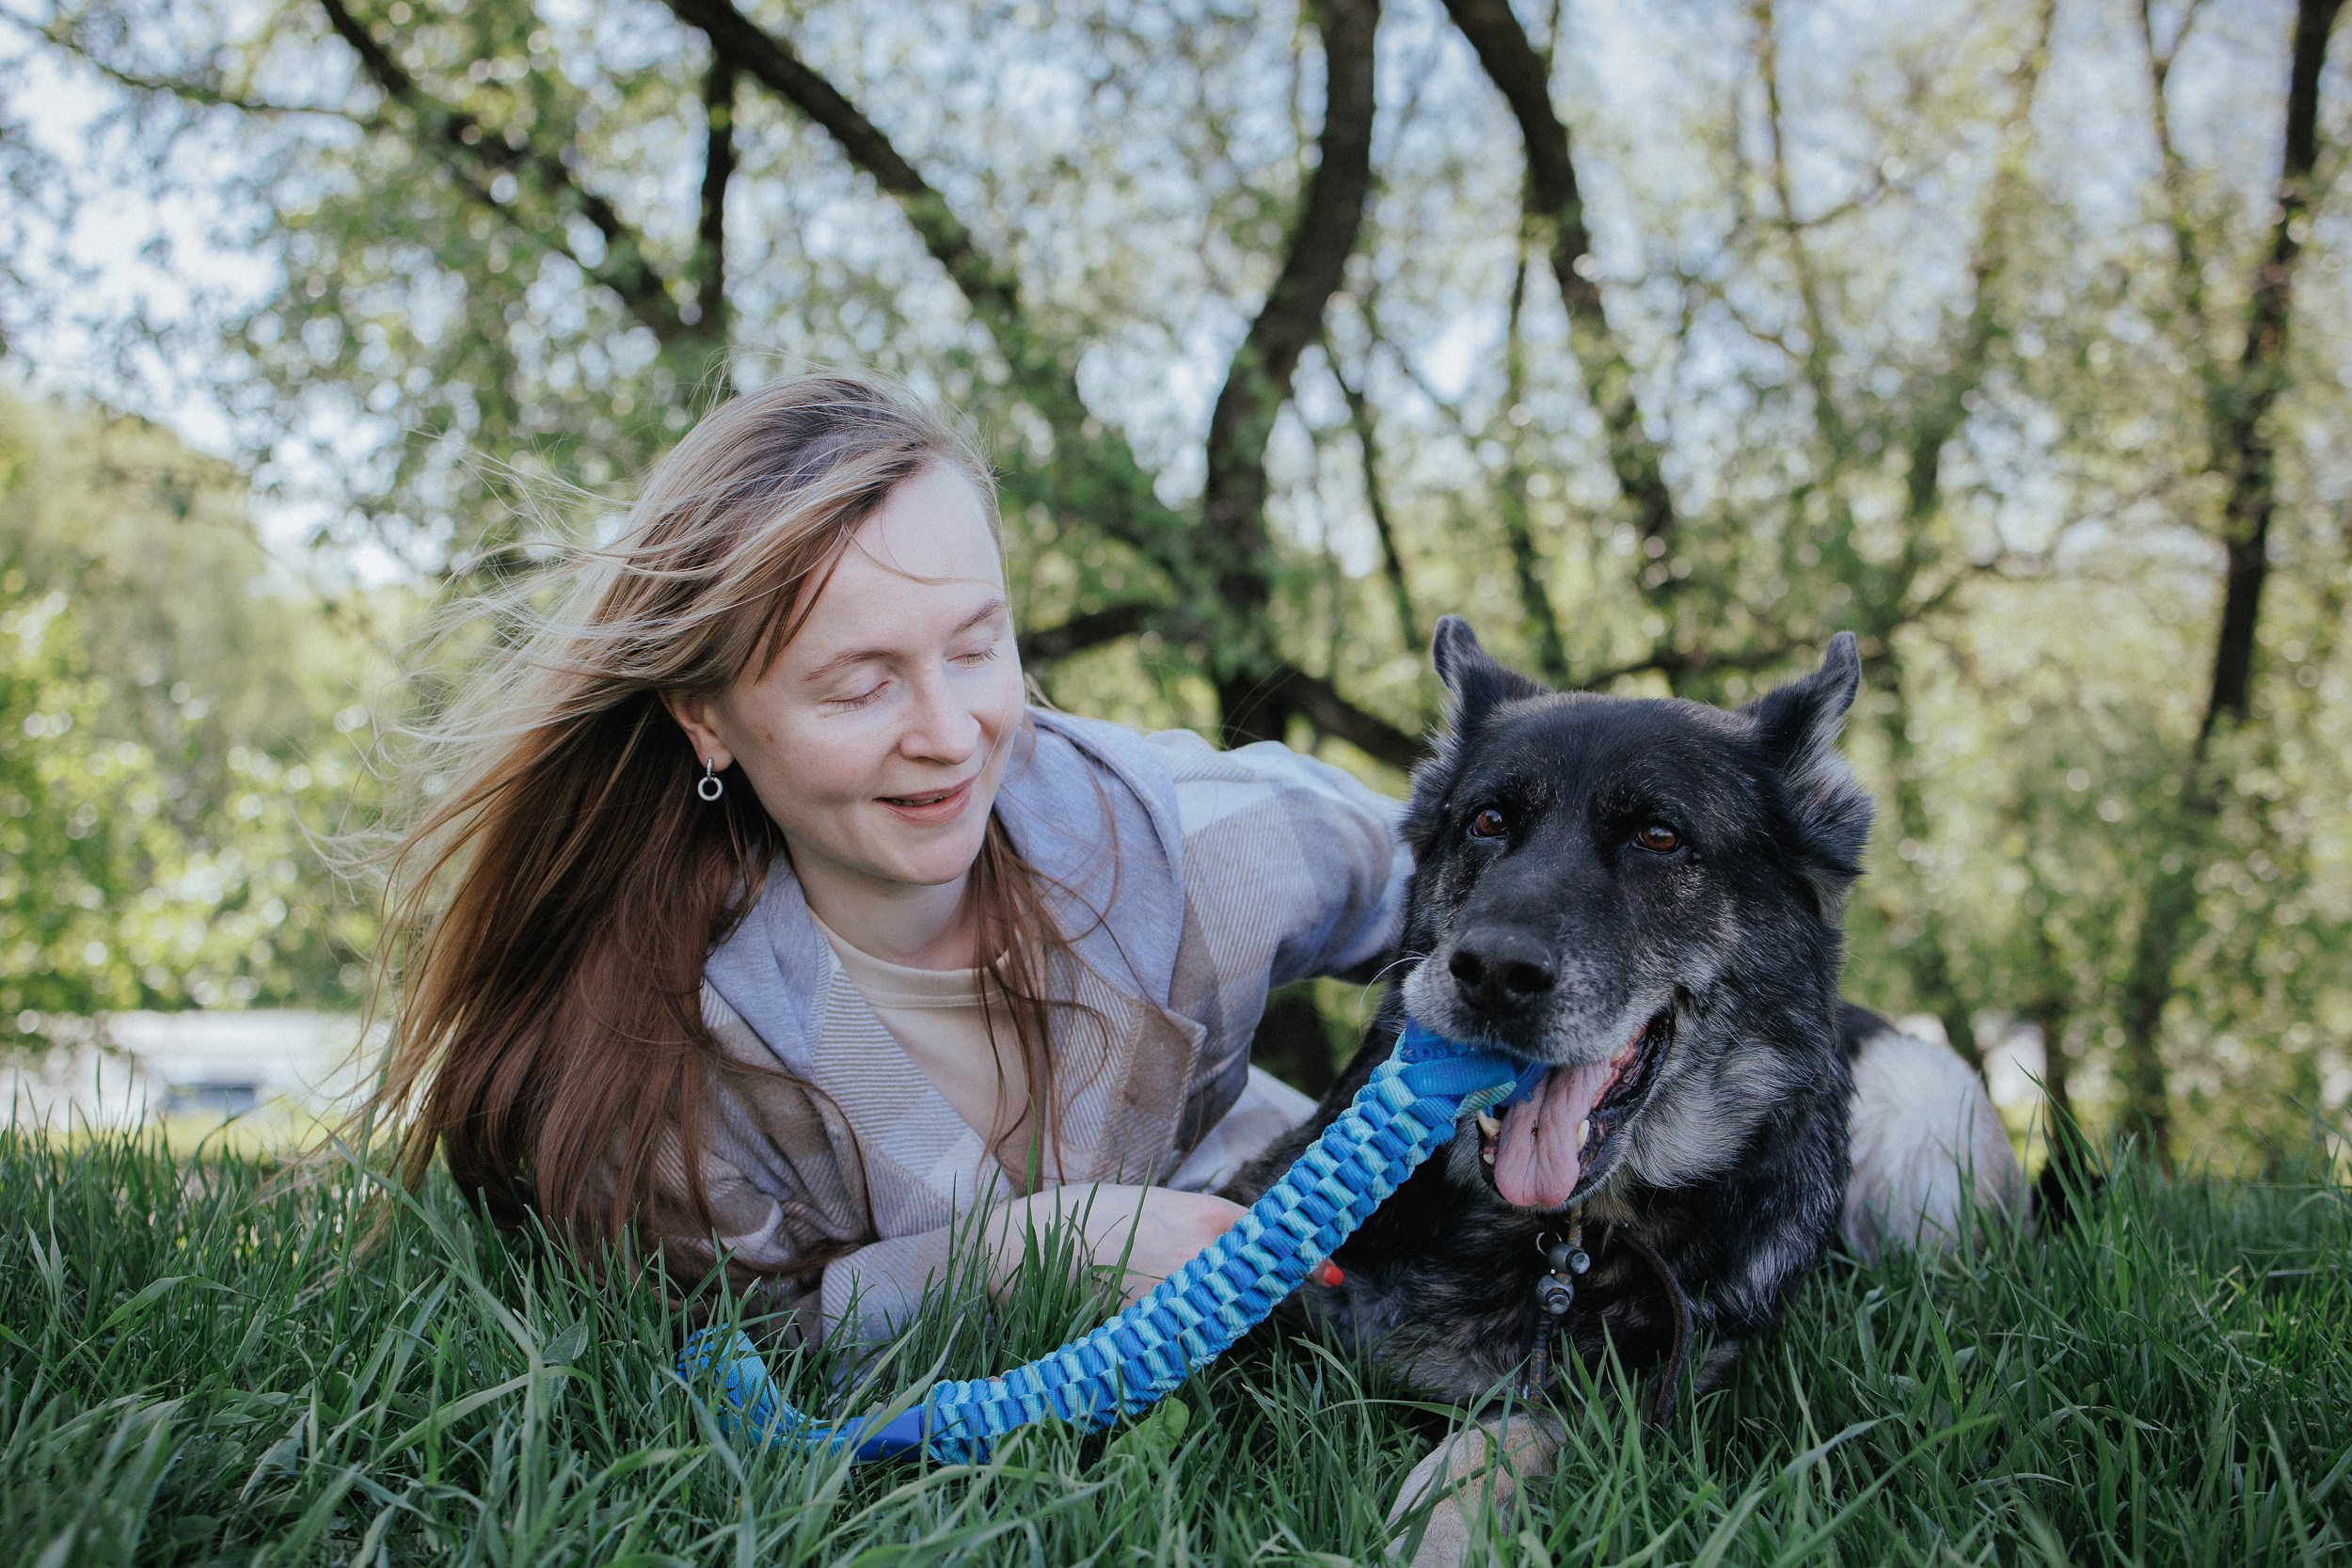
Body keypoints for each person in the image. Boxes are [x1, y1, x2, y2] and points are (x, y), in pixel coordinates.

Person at [373, 373, 1410, 1345]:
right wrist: (1006, 1260)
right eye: (860, 685)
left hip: (1304, 1251)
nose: (951, 734)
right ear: (706, 717)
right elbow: (742, 1351)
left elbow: (1518, 898)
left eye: (973, 647)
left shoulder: (1206, 842)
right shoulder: (663, 1072)